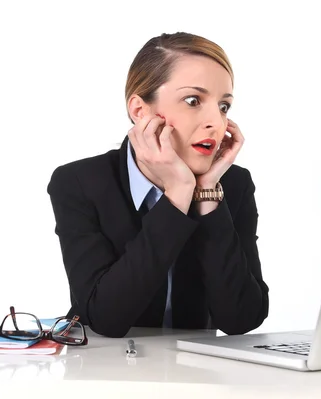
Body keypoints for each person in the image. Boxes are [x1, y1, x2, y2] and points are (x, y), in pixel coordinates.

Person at [47, 32, 269, 338]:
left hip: (196, 375)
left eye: (223, 106)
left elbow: (241, 319)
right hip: (102, 370)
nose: (216, 123)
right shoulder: (79, 183)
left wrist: (205, 193)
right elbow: (105, 318)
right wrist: (177, 195)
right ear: (141, 111)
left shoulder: (232, 184)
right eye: (193, 100)